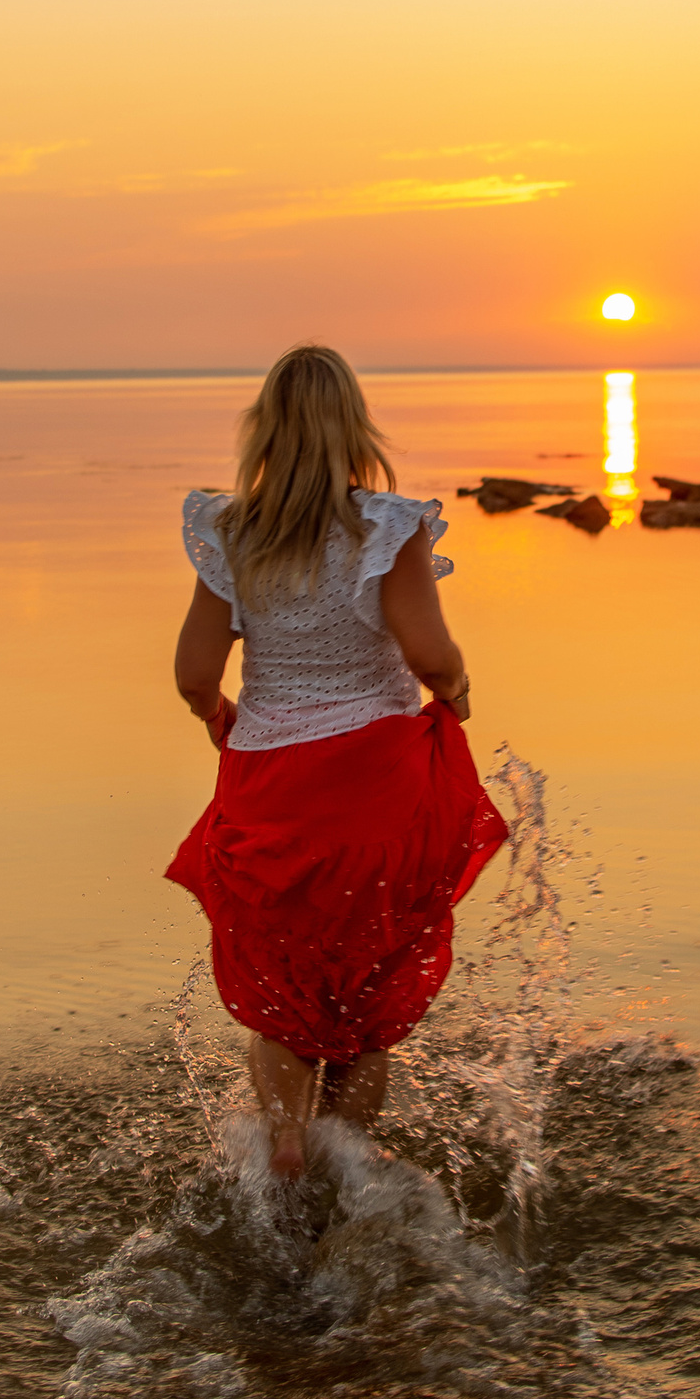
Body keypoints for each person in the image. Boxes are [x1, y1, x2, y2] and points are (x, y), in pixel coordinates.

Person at [168, 344, 509, 1180]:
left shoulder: (231, 531)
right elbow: (430, 652)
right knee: (362, 1004)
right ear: (354, 426)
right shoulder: (385, 528)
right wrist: (458, 690)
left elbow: (193, 674)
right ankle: (347, 1166)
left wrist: (218, 715)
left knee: (284, 997)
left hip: (271, 789)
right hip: (375, 787)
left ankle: (284, 1142)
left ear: (264, 432)